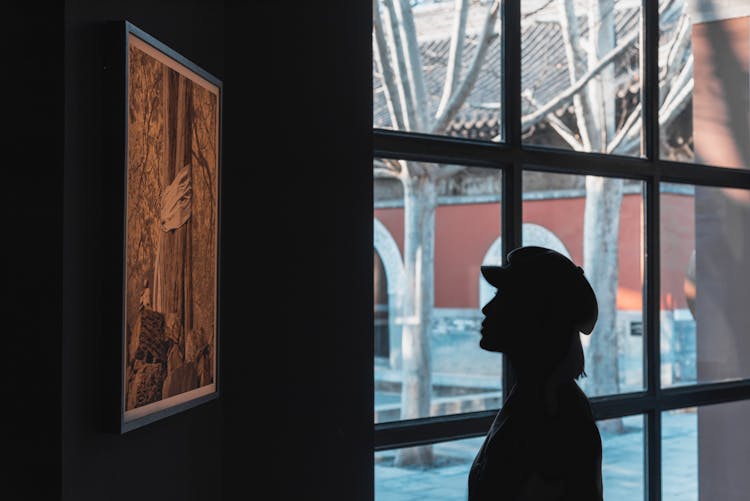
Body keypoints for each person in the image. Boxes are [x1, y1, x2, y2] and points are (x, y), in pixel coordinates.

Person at [468, 246, 603, 501]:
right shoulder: (534, 397)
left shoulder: (556, 413)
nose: (488, 308)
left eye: (503, 296)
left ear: (535, 314)